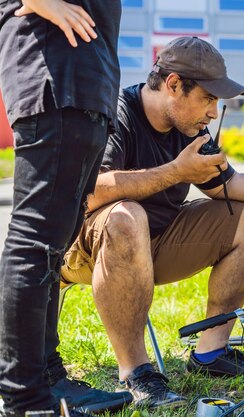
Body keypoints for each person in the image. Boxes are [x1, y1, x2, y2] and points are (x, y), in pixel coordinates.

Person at [58, 36, 244, 409]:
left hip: (155, 242)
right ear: (173, 85)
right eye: (208, 99)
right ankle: (137, 372)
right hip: (86, 245)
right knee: (128, 216)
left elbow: (227, 183)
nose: (212, 112)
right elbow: (91, 192)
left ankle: (211, 353)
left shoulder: (190, 127)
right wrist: (176, 171)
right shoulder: (113, 111)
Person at [0, 1, 134, 416]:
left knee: (53, 246)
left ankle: (48, 377)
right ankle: (23, 397)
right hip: (56, 81)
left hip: (87, 89)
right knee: (34, 242)